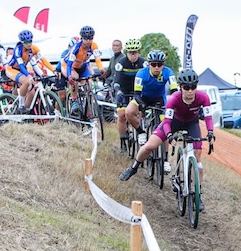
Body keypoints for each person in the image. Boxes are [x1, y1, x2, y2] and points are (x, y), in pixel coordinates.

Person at [120, 69, 216, 202]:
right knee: (149, 146)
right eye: (186, 87)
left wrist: (210, 132)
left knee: (198, 157)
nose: (190, 90)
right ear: (180, 87)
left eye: (193, 87)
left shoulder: (203, 97)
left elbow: (208, 118)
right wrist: (170, 135)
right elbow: (167, 121)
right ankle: (134, 167)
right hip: (173, 123)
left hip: (192, 124)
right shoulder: (174, 98)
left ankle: (198, 194)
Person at [4, 29, 55, 112]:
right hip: (12, 69)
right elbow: (20, 65)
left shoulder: (34, 49)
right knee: (26, 81)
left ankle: (25, 114)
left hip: (22, 70)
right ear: (22, 42)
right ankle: (21, 105)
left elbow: (42, 60)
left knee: (31, 93)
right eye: (26, 42)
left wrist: (53, 70)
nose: (28, 44)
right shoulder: (18, 49)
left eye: (30, 41)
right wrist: (28, 75)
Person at [112, 40, 148, 146]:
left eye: (135, 52)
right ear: (126, 52)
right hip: (124, 90)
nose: (133, 55)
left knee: (140, 111)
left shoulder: (144, 63)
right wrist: (118, 91)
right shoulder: (121, 63)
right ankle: (123, 141)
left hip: (138, 90)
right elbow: (116, 81)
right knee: (122, 115)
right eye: (130, 52)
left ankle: (141, 127)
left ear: (139, 52)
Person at [60, 25, 105, 100]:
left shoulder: (94, 45)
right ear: (82, 38)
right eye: (86, 38)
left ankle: (89, 110)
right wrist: (69, 76)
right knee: (75, 78)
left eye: (90, 38)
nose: (88, 41)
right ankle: (74, 100)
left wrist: (102, 70)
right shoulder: (76, 47)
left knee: (90, 86)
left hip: (82, 67)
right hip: (69, 66)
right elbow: (69, 65)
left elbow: (97, 59)